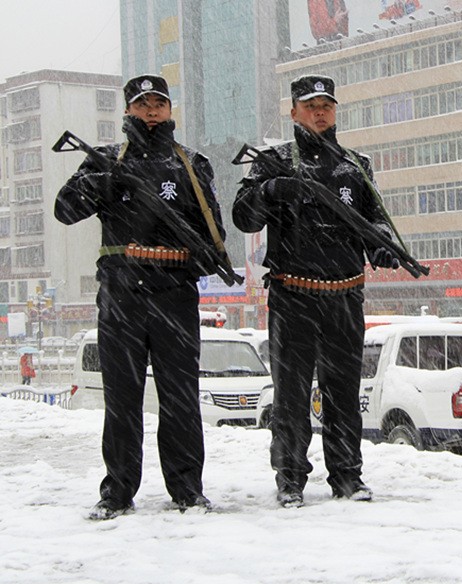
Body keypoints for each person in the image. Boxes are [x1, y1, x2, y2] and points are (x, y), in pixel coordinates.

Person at [55, 74, 226, 520]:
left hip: (174, 293)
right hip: (122, 294)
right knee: (122, 398)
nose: (152, 111)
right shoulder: (106, 160)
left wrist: (203, 257)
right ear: (128, 109)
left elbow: (213, 229)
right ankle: (117, 491)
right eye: (143, 103)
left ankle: (187, 489)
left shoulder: (191, 163)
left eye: (159, 103)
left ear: (170, 109)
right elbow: (64, 209)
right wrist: (103, 185)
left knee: (181, 396)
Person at [233, 74, 399, 508]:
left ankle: (347, 475)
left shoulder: (355, 164)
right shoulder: (272, 161)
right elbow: (243, 217)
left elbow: (375, 219)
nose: (319, 113)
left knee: (343, 393)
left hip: (345, 295)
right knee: (290, 395)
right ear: (293, 112)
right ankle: (290, 478)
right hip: (293, 295)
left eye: (326, 105)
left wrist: (381, 246)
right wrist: (270, 189)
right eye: (310, 106)